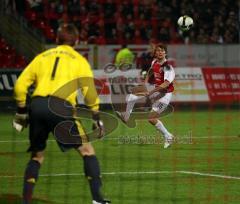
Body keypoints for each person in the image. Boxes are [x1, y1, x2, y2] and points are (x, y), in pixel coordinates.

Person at [12, 23, 110, 204]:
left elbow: (19, 86)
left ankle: (26, 201)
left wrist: (21, 111)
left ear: (57, 39)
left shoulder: (42, 57)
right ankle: (98, 199)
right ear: (77, 40)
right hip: (61, 108)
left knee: (37, 155)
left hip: (37, 105)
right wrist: (96, 116)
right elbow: (90, 92)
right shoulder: (79, 60)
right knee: (87, 150)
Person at [117, 43, 175, 148]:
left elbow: (165, 84)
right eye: (158, 50)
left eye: (162, 50)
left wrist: (151, 92)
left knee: (151, 119)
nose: (160, 52)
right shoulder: (154, 62)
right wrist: (146, 83)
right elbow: (150, 71)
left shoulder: (168, 67)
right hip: (156, 90)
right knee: (133, 94)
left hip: (165, 95)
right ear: (155, 53)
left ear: (165, 53)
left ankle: (168, 136)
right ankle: (126, 117)